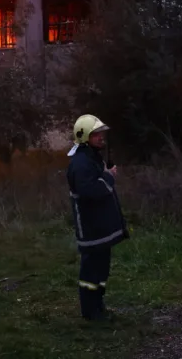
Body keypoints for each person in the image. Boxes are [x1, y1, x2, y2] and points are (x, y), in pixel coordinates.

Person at [66, 114, 129, 321]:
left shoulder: (92, 157)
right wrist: (109, 176)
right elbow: (91, 191)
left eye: (102, 133)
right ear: (84, 136)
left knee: (101, 270)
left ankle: (98, 306)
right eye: (96, 134)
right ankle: (90, 312)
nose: (102, 137)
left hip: (100, 227)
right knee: (91, 272)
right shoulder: (81, 163)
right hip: (91, 228)